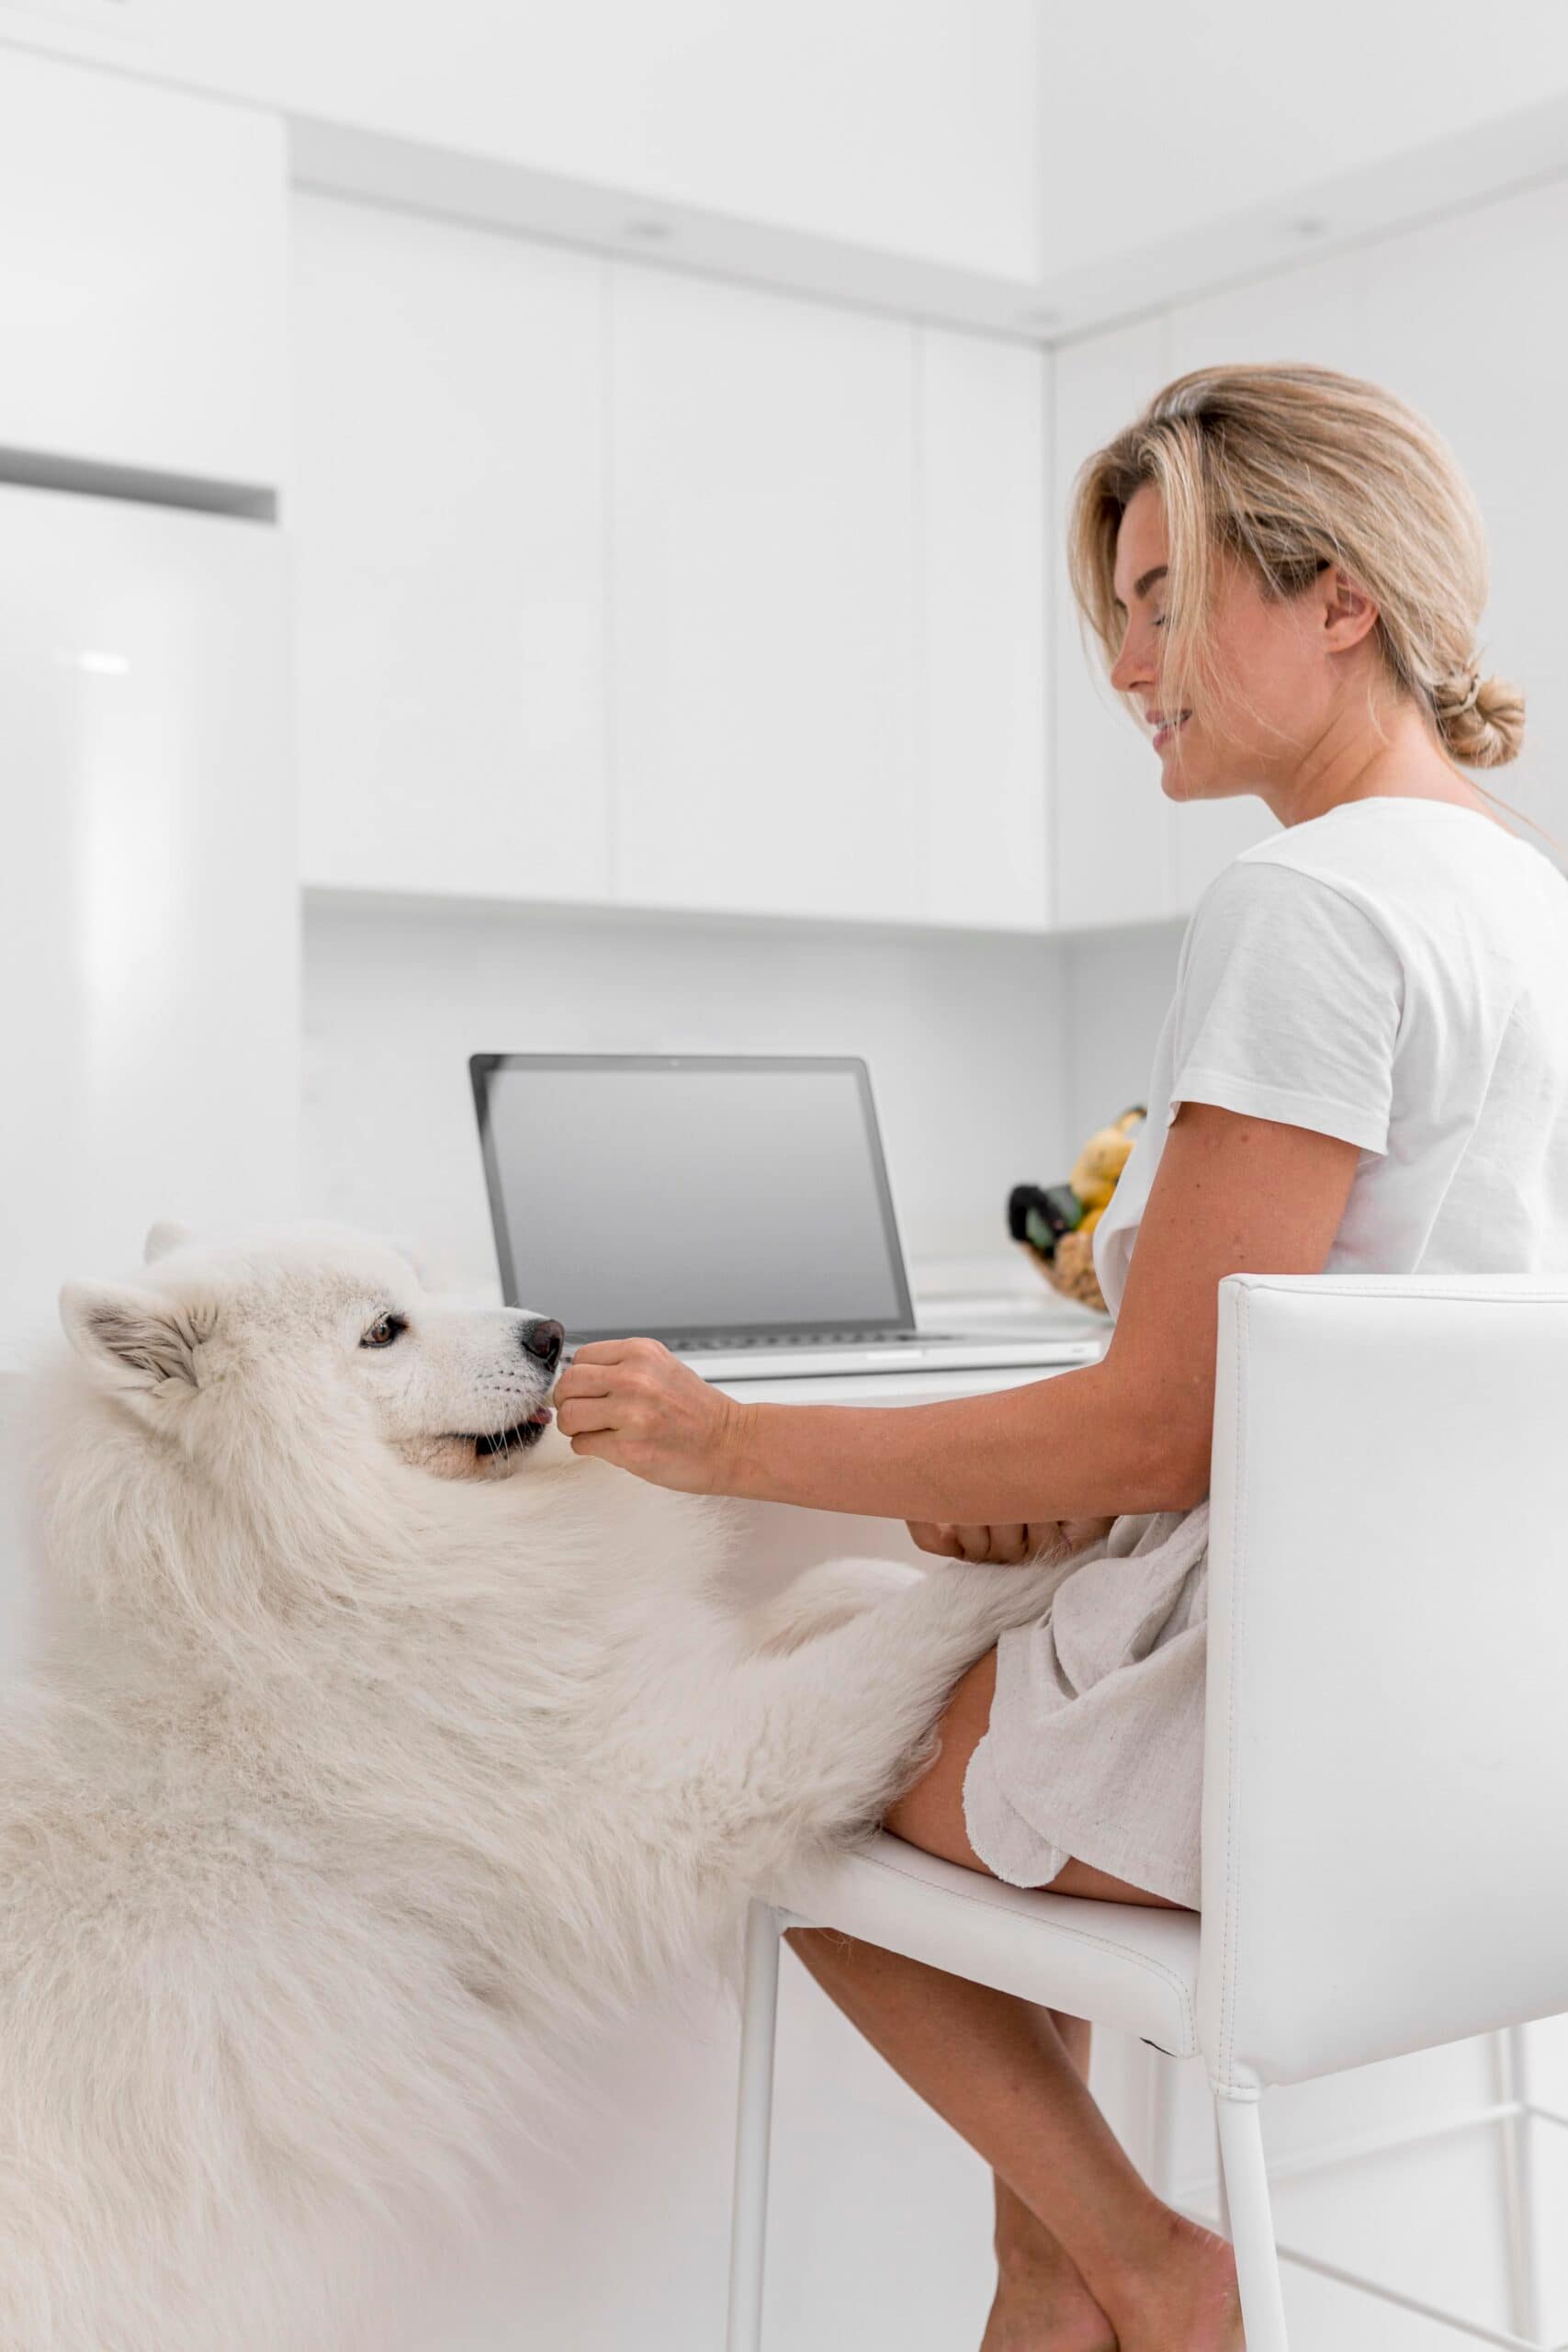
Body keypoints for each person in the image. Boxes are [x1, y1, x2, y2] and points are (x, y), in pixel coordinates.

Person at [552, 364, 1568, 2350]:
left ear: (1335, 594)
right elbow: (1335, 1363)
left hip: (1268, 1738)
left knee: (759, 1756)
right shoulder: (1520, 899)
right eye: (1113, 608)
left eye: (1160, 597)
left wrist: (721, 1435)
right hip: (1482, 1746)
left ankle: (1134, 2257)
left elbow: (1165, 1420)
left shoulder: (1308, 899)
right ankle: (1052, 2263)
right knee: (938, 1639)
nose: (1122, 661)